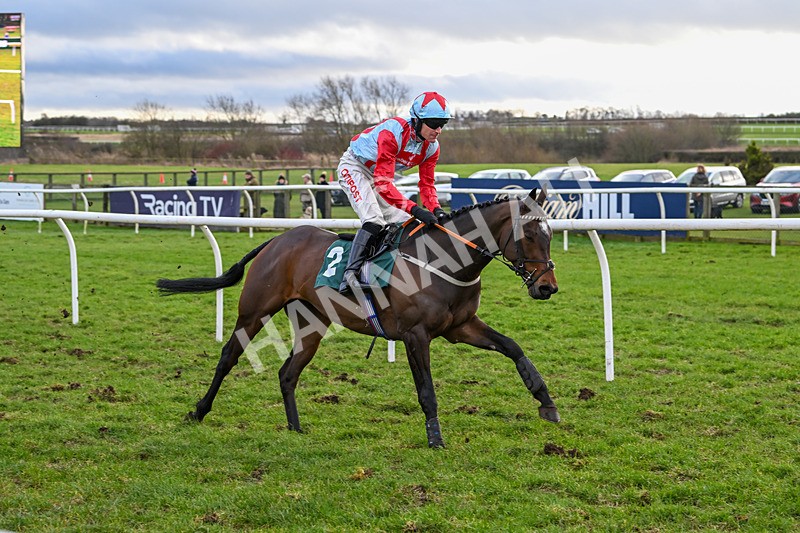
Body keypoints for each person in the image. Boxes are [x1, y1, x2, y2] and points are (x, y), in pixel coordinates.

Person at [336, 91, 450, 294]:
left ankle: (385, 269)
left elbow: (427, 185)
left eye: (443, 124)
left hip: (379, 175)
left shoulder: (432, 148)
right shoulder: (392, 133)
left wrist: (436, 209)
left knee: (406, 223)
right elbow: (383, 184)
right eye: (434, 124)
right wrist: (415, 209)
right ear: (417, 120)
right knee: (374, 220)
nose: (438, 130)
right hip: (355, 167)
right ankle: (349, 276)